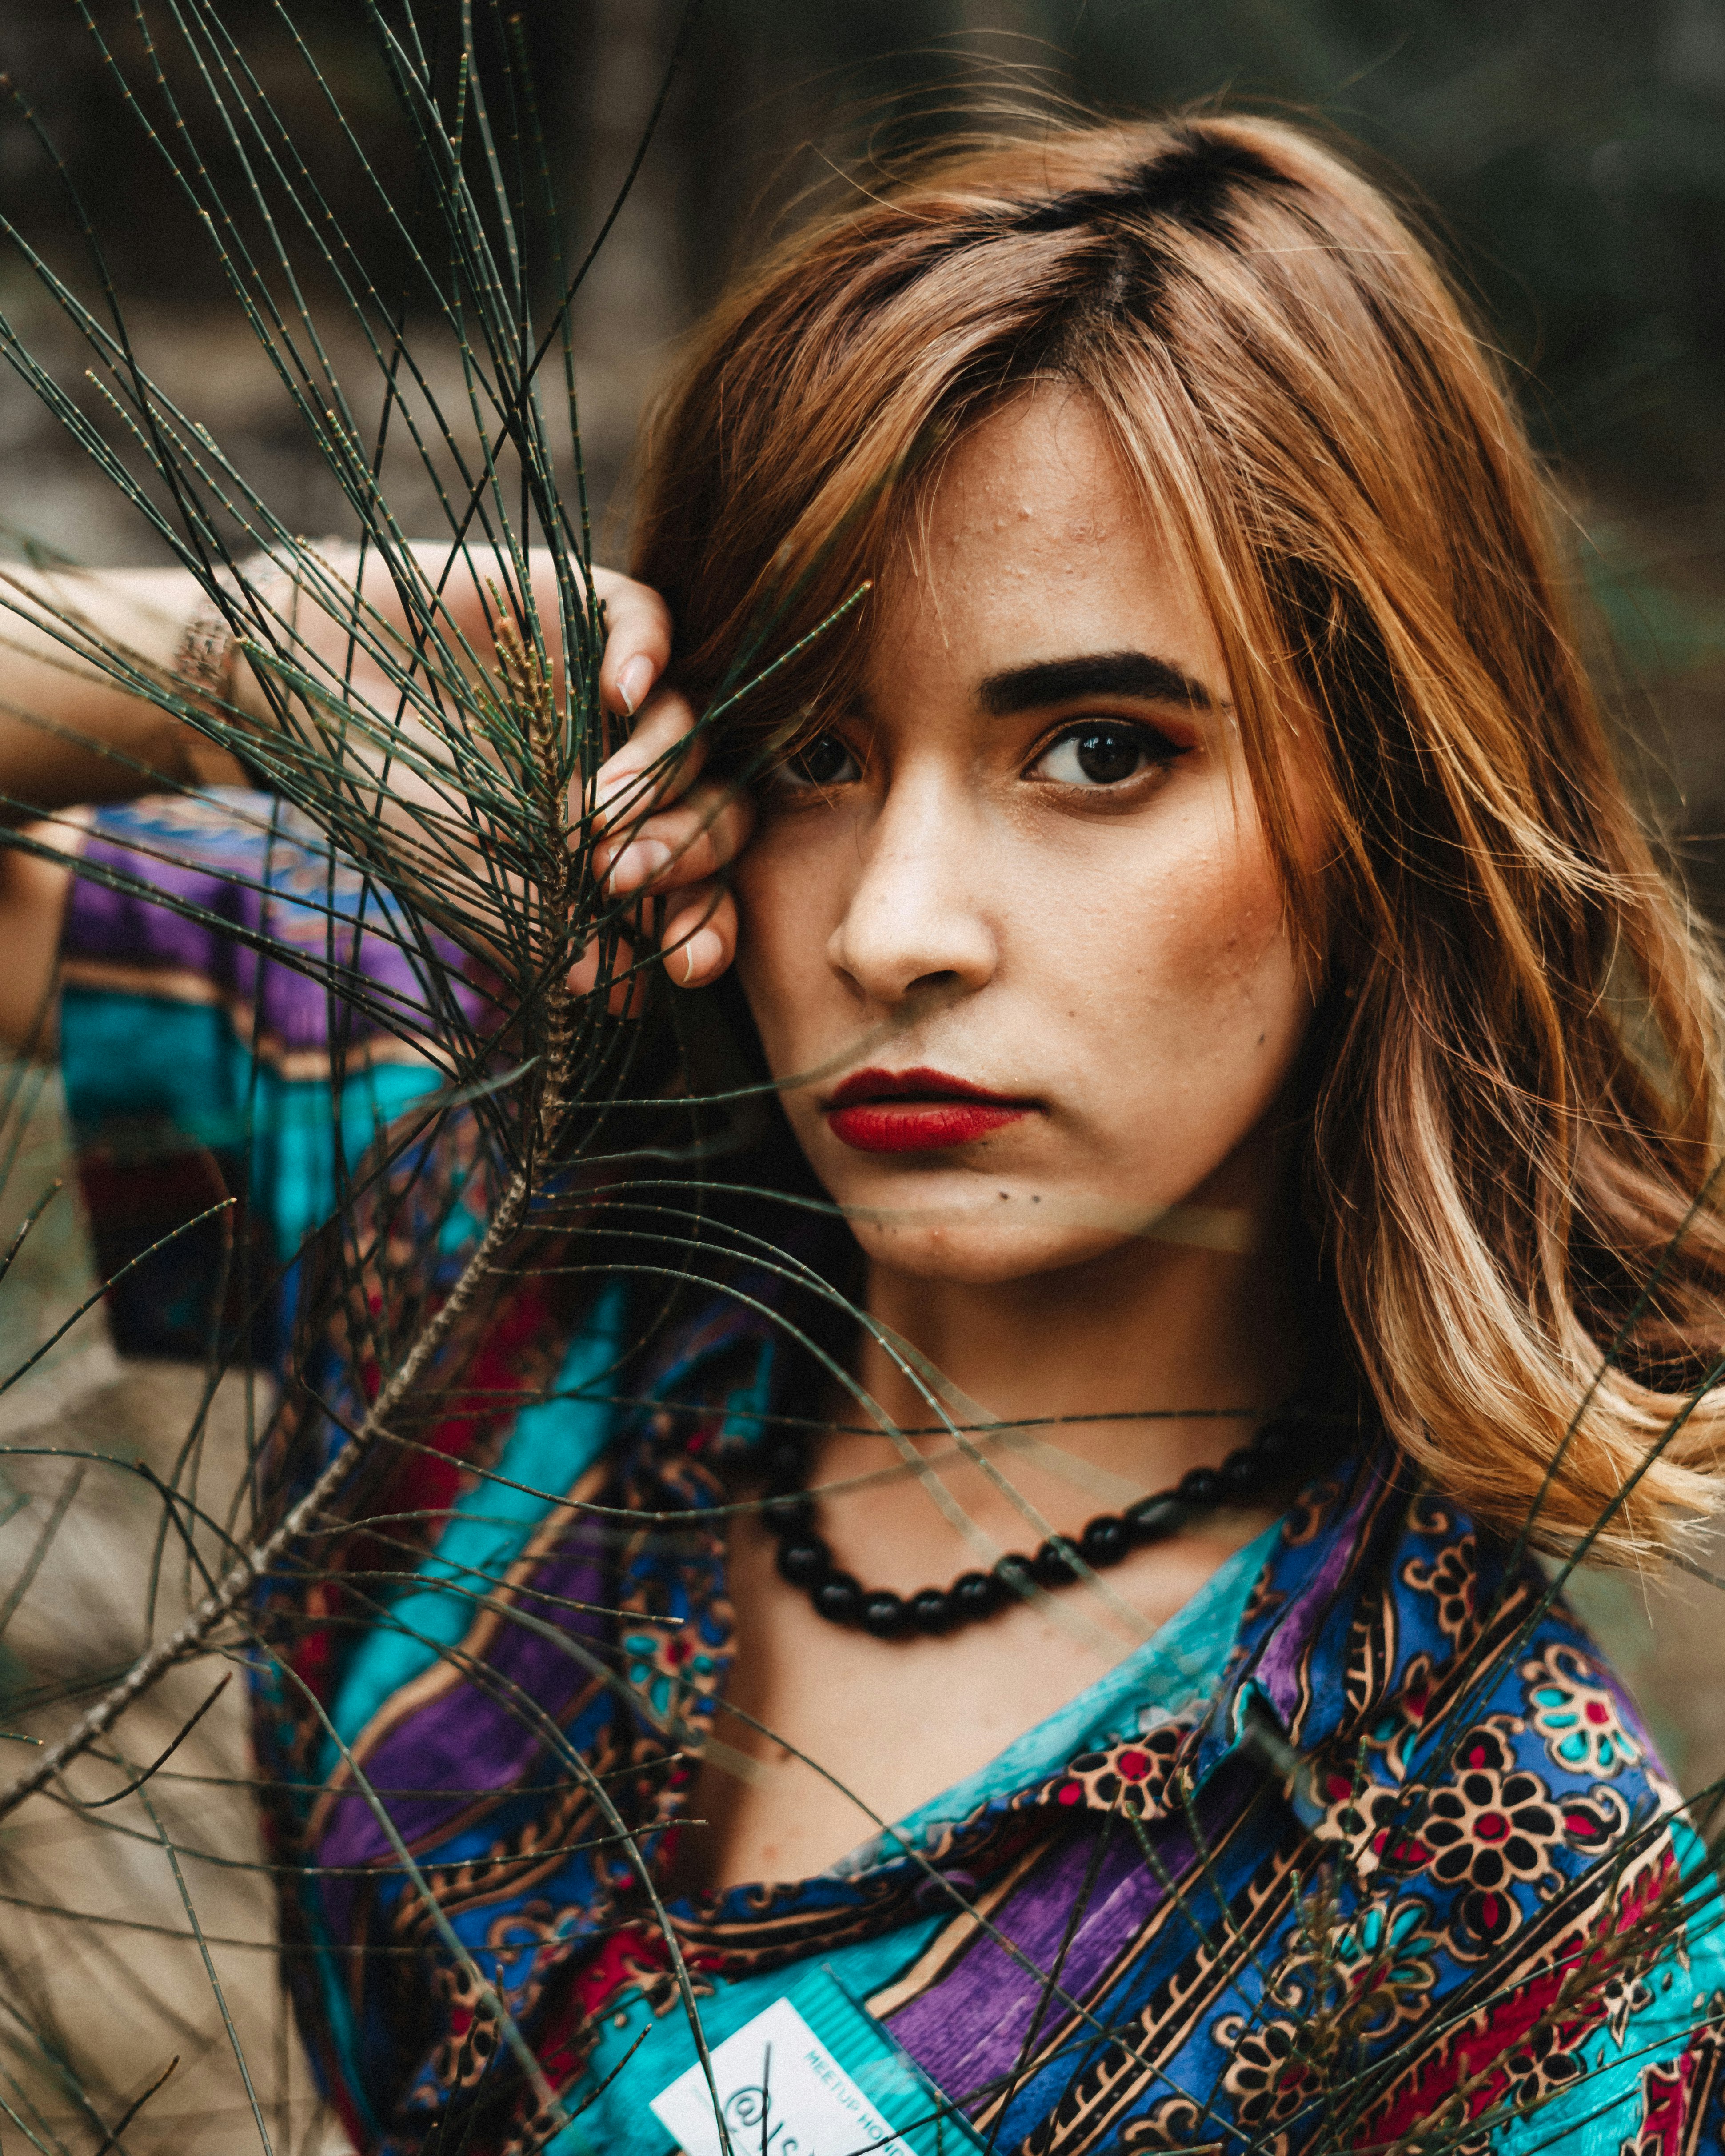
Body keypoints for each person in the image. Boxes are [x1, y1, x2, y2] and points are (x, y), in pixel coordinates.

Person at [0, 111, 1722, 2156]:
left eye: (1097, 752)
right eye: (811, 744)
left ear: (1390, 810)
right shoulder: (494, 1166)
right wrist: (210, 667)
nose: (895, 925)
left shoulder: (1496, 1910)